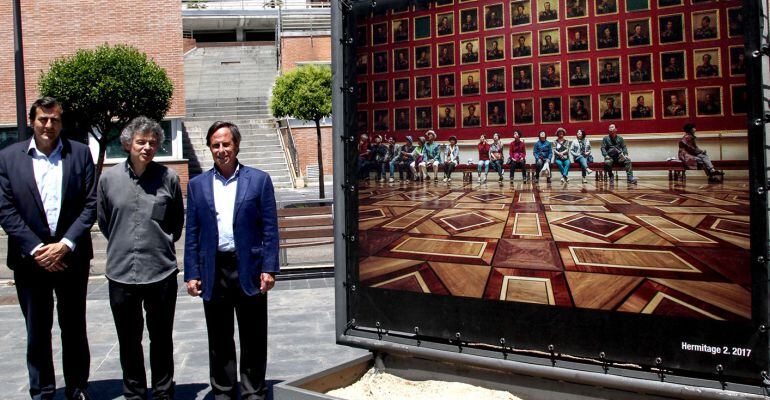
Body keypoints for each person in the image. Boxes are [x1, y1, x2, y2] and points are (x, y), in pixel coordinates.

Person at [0, 97, 96, 400]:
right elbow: (5, 209)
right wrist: (39, 249)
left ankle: (77, 387)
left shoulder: (79, 154)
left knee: (74, 328)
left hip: (72, 258)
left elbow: (90, 204)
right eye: (43, 119)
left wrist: (65, 245)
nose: (49, 125)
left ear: (61, 122)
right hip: (31, 261)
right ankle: (42, 390)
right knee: (37, 331)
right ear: (32, 121)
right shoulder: (8, 158)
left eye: (55, 119)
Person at [184, 121, 279, 400]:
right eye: (216, 145)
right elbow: (192, 233)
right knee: (219, 337)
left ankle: (253, 391)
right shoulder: (197, 185)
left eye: (226, 144)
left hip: (248, 268)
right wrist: (191, 273)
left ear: (236, 146)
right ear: (209, 148)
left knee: (253, 335)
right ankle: (224, 391)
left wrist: (269, 268)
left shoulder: (259, 180)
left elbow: (270, 228)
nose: (221, 149)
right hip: (214, 269)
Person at [97, 116, 184, 400]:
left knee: (161, 339)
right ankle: (134, 392)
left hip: (160, 272)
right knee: (128, 340)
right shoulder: (109, 179)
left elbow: (176, 223)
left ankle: (162, 392)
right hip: (121, 273)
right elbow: (105, 222)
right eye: (141, 141)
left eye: (153, 142)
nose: (147, 147)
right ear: (128, 144)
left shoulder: (168, 178)